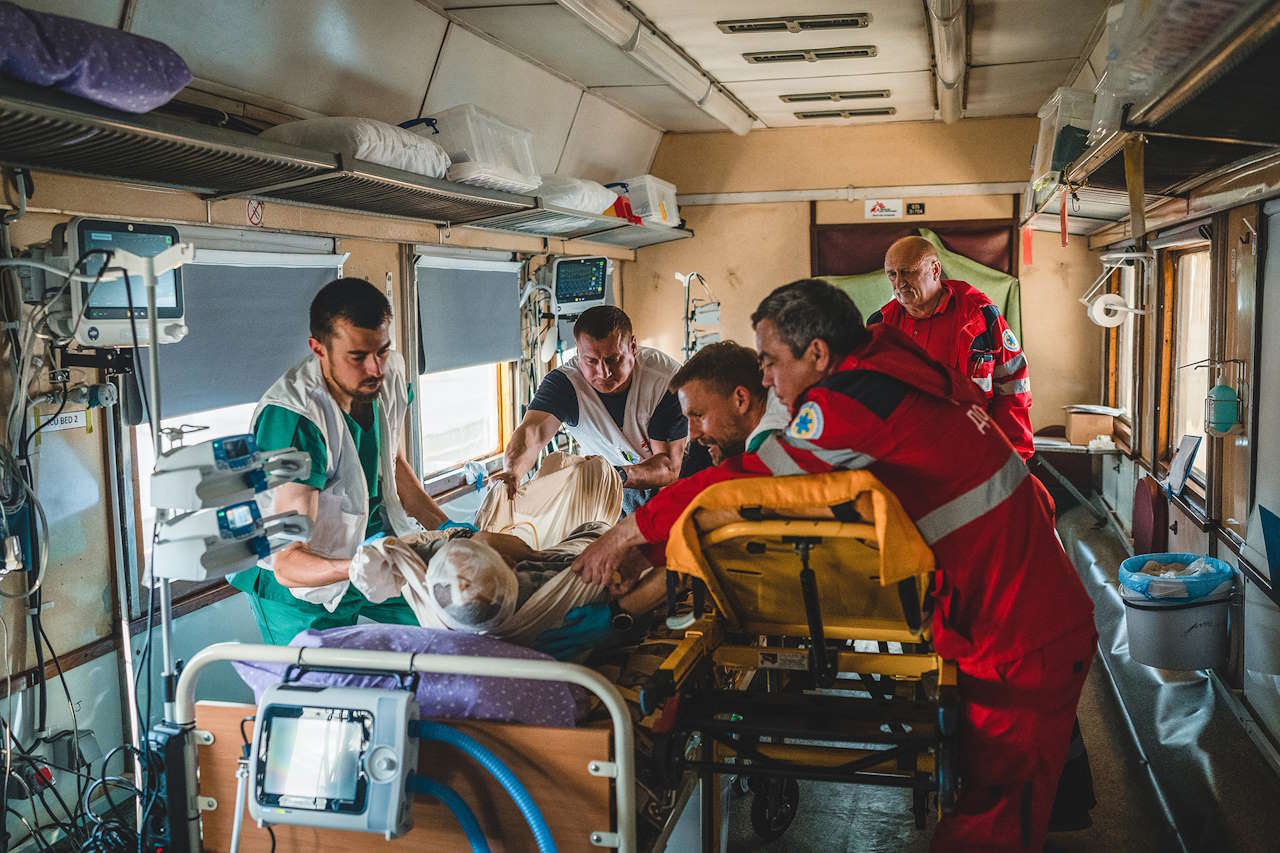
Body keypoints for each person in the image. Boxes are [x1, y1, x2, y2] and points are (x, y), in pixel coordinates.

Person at [570, 279, 1096, 852]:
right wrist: (647, 546)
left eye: (771, 362)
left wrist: (629, 533)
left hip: (1020, 630)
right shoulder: (886, 370)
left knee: (994, 821)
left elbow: (749, 486)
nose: (765, 377)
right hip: (1009, 608)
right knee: (988, 797)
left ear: (817, 354)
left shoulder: (850, 402)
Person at [533, 341, 790, 659]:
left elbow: (715, 495)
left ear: (741, 399)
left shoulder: (781, 436)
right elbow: (702, 508)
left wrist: (622, 538)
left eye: (698, 415)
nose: (692, 433)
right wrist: (644, 555)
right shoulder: (759, 436)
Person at [230, 277, 451, 644]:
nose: (375, 369)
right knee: (324, 690)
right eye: (358, 357)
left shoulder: (388, 375)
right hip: (298, 584)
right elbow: (287, 562)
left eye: (381, 351)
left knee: (453, 617)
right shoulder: (294, 420)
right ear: (318, 349)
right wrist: (356, 567)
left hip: (371, 549)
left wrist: (449, 531)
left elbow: (392, 466)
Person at [493, 306, 686, 515]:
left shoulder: (665, 382)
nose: (604, 372)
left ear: (633, 346)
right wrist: (512, 472)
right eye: (591, 361)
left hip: (671, 479)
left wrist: (615, 476)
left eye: (614, 359)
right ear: (578, 353)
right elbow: (531, 433)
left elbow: (668, 466)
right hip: (615, 485)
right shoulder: (565, 384)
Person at [869, 235, 1035, 459]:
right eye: (892, 274)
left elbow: (1013, 386)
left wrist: (1015, 455)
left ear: (935, 269)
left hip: (969, 453)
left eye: (908, 272)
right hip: (904, 456)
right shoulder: (879, 325)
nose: (899, 283)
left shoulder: (982, 318)